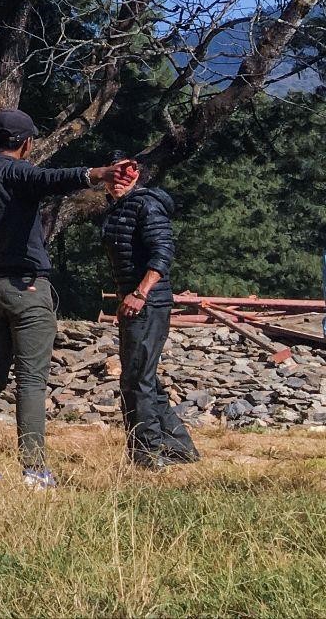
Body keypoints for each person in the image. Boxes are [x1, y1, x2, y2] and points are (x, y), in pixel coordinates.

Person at [0, 108, 131, 488]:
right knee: (31, 379)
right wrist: (98, 174)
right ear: (27, 144)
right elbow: (52, 178)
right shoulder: (17, 173)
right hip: (27, 288)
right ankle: (33, 470)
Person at [101, 157, 200, 469]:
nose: (117, 180)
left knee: (135, 380)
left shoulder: (146, 205)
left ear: (136, 175)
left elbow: (162, 252)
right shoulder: (118, 207)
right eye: (112, 173)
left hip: (148, 301)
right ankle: (178, 446)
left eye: (124, 173)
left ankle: (147, 455)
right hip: (134, 299)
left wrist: (140, 293)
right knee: (143, 377)